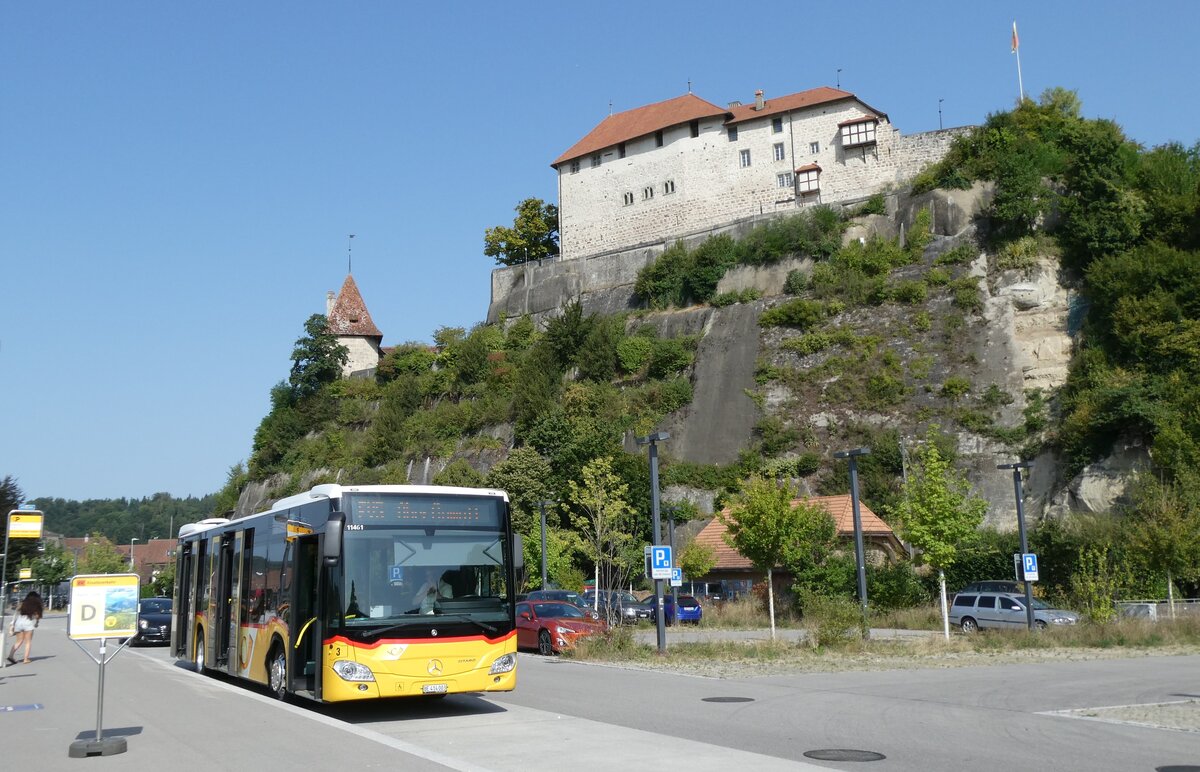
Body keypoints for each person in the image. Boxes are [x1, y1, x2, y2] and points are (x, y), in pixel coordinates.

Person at [7, 591, 44, 665]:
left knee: (19, 641)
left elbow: (16, 613)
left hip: (19, 623)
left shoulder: (22, 603)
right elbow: (37, 616)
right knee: (28, 642)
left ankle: (11, 656)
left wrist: (12, 624)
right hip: (28, 623)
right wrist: (36, 623)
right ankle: (26, 659)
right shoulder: (37, 604)